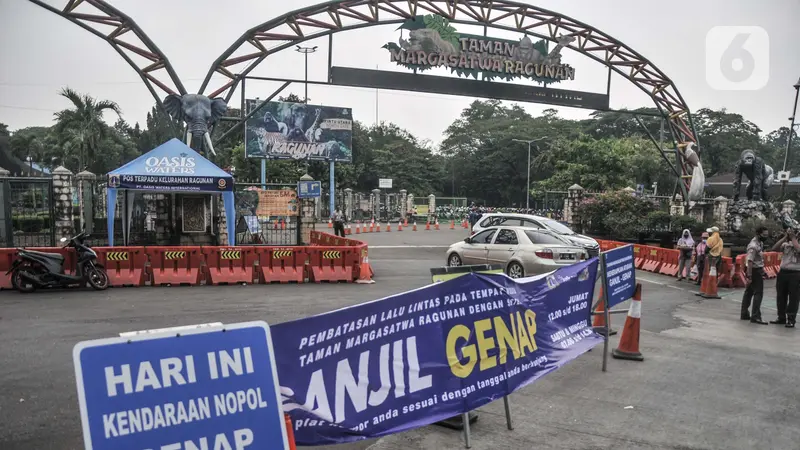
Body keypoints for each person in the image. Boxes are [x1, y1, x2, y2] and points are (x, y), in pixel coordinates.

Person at [770, 227, 800, 328]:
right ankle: (781, 317)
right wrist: (785, 237)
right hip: (783, 272)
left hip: (795, 273)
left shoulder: (797, 244)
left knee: (793, 298)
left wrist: (794, 239)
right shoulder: (786, 244)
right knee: (780, 296)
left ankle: (791, 319)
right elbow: (774, 248)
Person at [741, 226, 769, 325]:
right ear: (758, 234)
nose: (766, 237)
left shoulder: (760, 243)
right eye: (764, 235)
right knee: (758, 293)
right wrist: (749, 276)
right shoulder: (753, 245)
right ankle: (755, 316)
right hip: (754, 270)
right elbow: (750, 261)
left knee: (749, 292)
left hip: (757, 270)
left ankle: (744, 313)